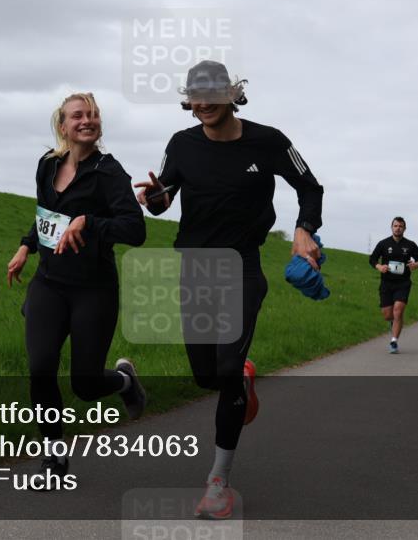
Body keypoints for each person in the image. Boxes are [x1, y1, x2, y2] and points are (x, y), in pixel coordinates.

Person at [135, 60, 324, 520]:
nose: (202, 105)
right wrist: (155, 198)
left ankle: (218, 481)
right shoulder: (181, 144)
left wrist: (304, 230)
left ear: (231, 93)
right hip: (194, 266)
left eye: (211, 95)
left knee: (226, 365)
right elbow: (164, 200)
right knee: (206, 376)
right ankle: (239, 378)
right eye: (195, 97)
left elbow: (310, 187)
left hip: (242, 267)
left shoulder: (270, 141)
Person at [6, 93, 147, 488]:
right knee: (41, 368)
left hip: (93, 290)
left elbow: (135, 230)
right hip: (49, 284)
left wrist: (89, 221)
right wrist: (25, 246)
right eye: (78, 115)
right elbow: (45, 214)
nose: (88, 120)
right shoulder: (47, 165)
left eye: (93, 115)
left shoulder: (109, 173)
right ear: (63, 126)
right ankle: (54, 456)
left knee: (85, 385)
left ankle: (123, 381)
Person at [369, 217, 418, 354]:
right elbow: (372, 259)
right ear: (391, 227)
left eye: (400, 226)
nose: (398, 228)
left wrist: (415, 265)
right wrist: (379, 267)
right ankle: (393, 322)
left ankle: (394, 341)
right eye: (395, 225)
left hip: (403, 283)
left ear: (404, 229)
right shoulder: (383, 244)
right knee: (388, 315)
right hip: (386, 283)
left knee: (398, 311)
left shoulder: (410, 245)